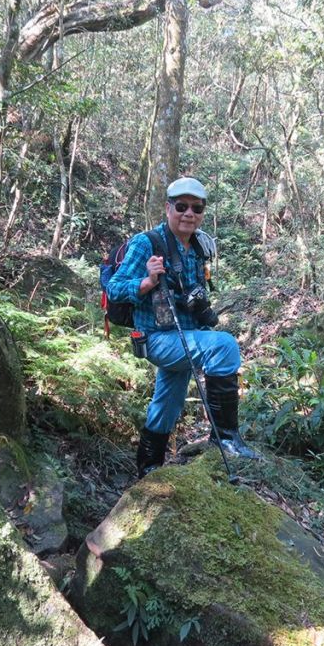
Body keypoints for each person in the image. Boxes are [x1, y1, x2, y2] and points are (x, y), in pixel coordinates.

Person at [107, 176, 261, 478]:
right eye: (182, 207)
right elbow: (114, 289)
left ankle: (148, 467)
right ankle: (226, 439)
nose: (189, 213)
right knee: (225, 345)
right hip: (155, 337)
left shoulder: (200, 246)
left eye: (196, 208)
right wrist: (148, 281)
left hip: (185, 336)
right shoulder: (146, 243)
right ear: (168, 208)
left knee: (168, 402)